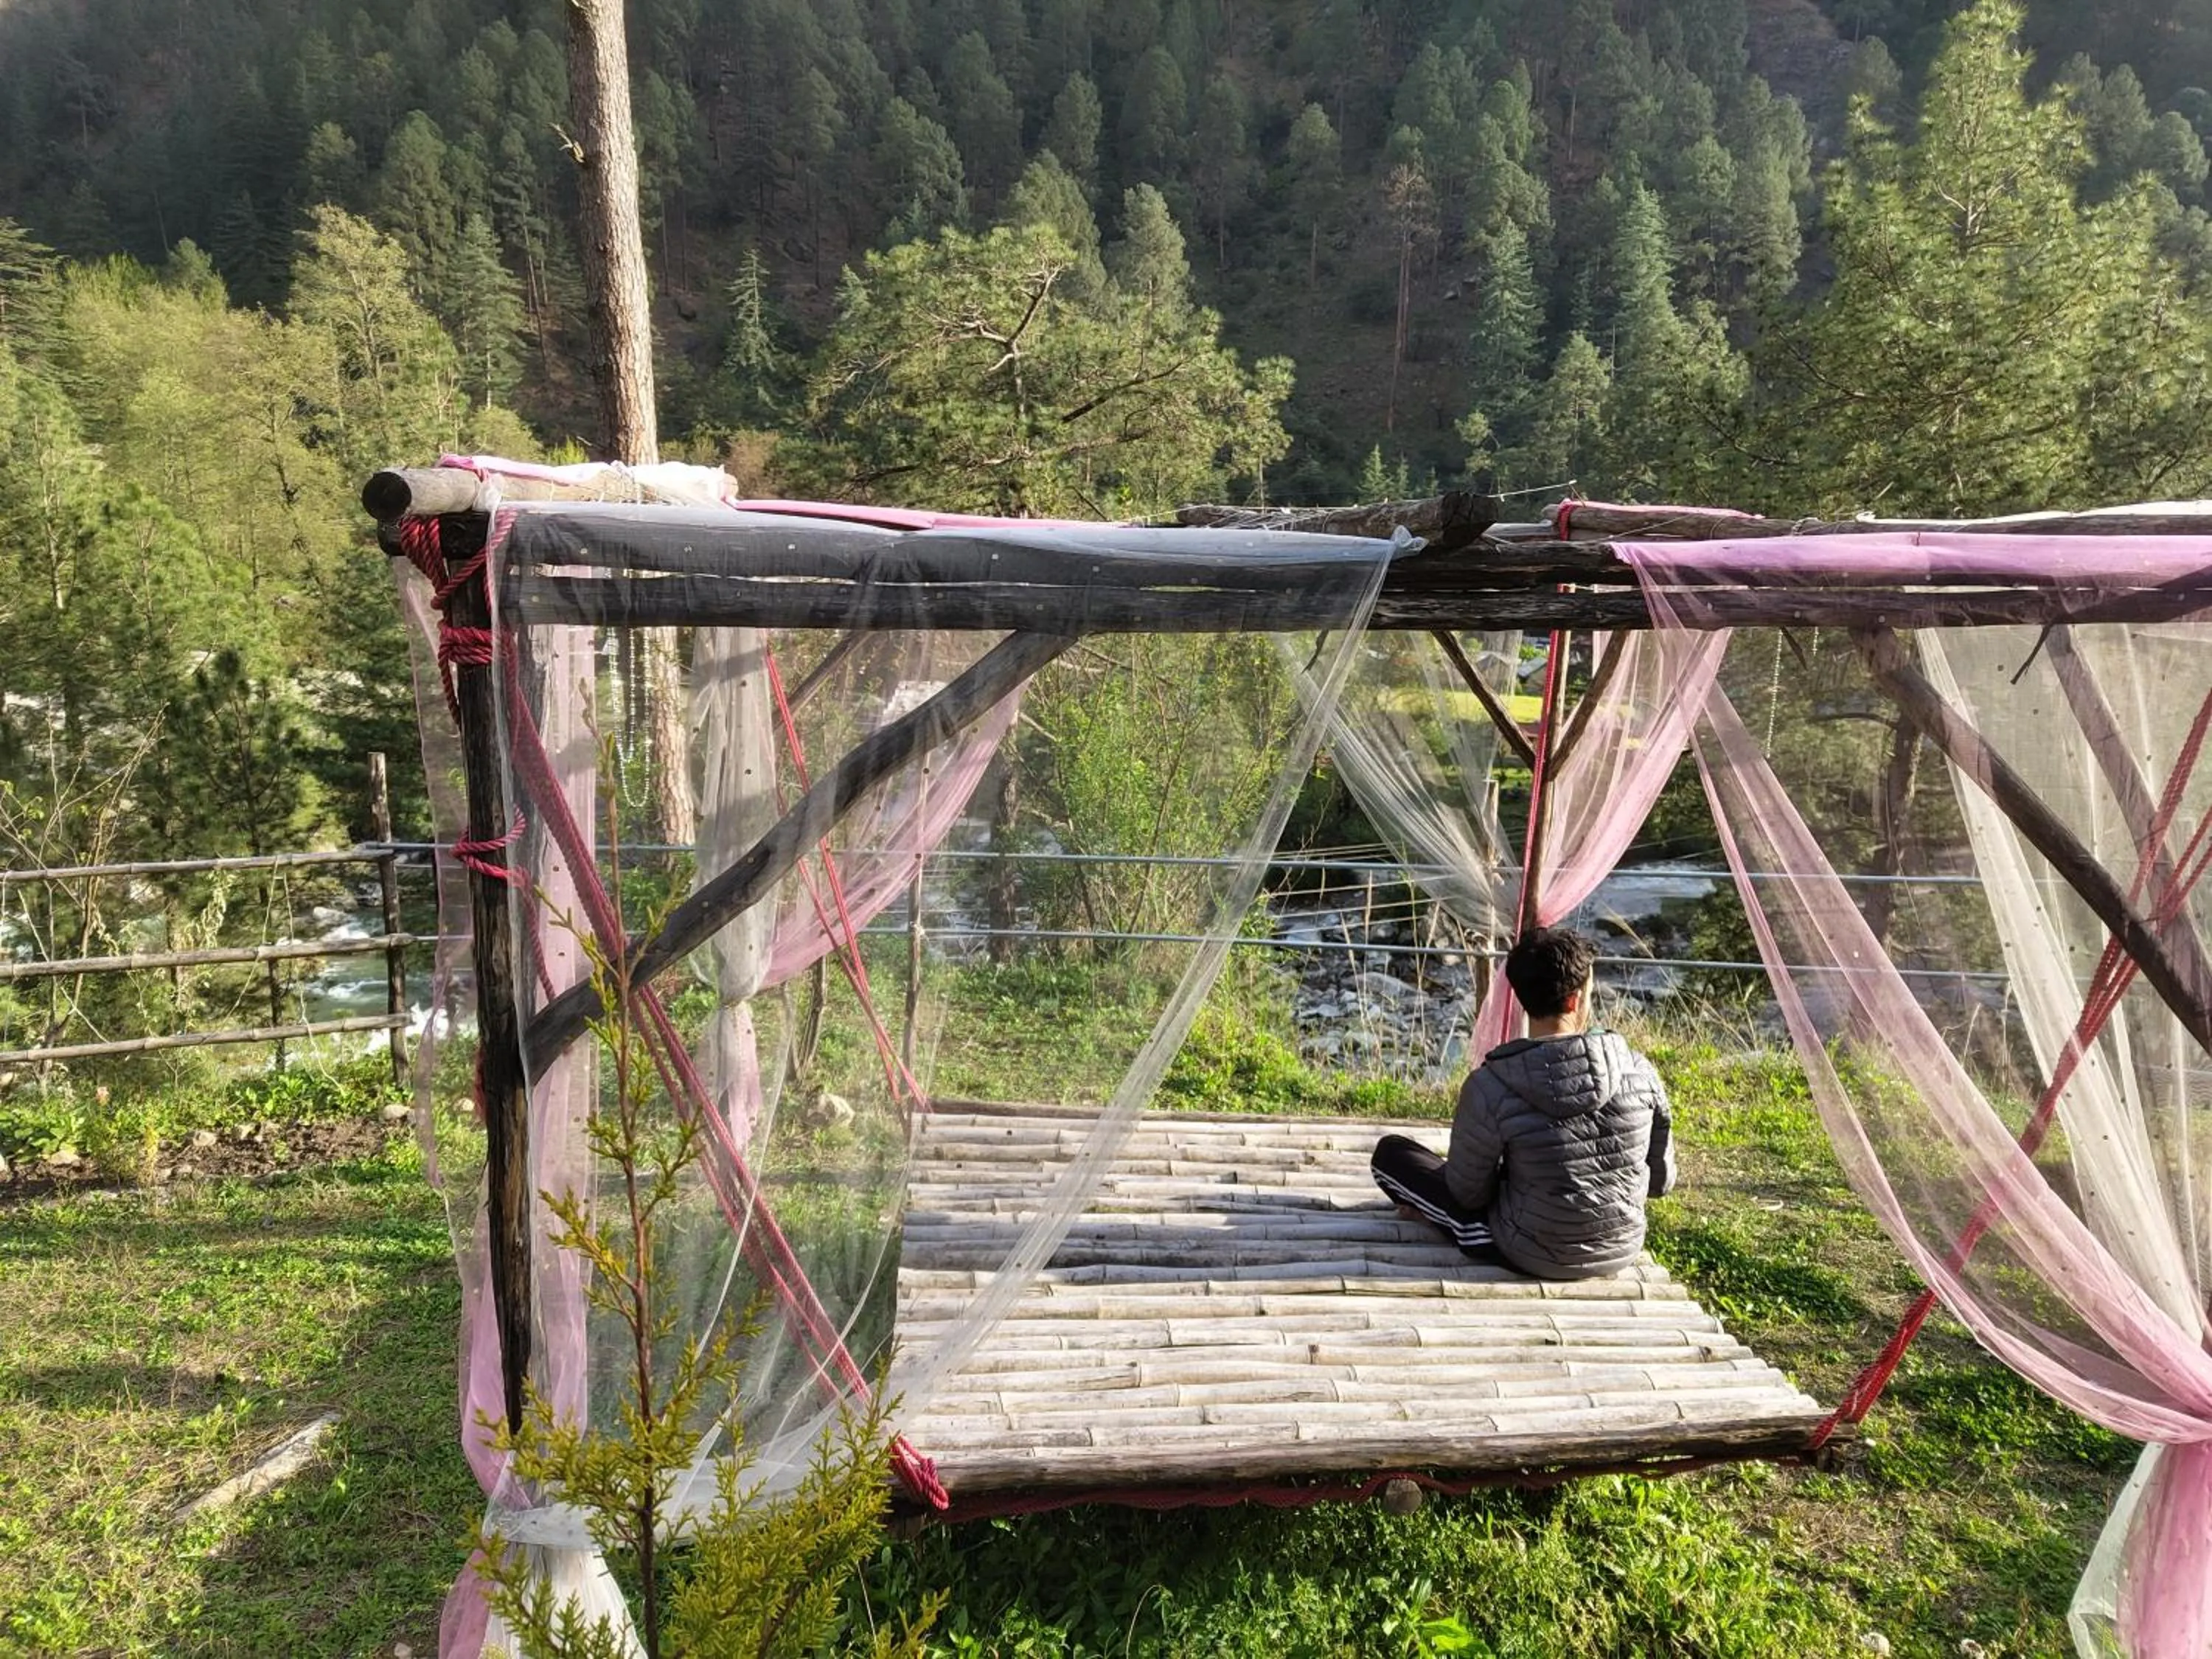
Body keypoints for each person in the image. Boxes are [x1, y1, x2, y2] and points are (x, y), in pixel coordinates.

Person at [1371, 925, 1674, 1279]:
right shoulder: (1639, 1070)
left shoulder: (1491, 1083)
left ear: (1521, 997)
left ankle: (1434, 1218)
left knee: (1391, 1155)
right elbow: (1661, 1182)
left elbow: (1468, 1195)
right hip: (1622, 1245)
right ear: (1576, 1000)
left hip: (1527, 1251)